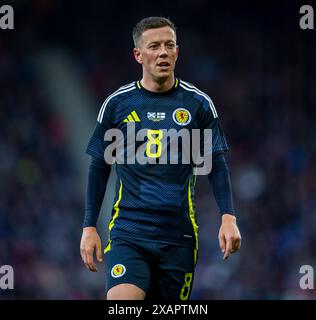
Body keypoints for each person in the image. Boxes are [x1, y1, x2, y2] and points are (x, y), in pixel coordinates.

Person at [80, 16, 241, 300]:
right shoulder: (117, 104)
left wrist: (228, 217)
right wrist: (89, 226)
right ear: (138, 55)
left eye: (169, 45)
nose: (163, 52)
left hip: (177, 237)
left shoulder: (198, 104)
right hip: (129, 232)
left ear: (177, 52)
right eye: (154, 46)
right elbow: (99, 165)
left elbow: (215, 164)